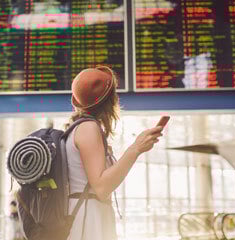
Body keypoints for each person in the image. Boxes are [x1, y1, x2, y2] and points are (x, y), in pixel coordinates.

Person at [64, 65, 163, 240]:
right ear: (112, 101)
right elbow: (101, 187)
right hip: (88, 221)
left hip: (87, 216)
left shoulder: (80, 128)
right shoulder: (88, 128)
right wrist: (135, 149)